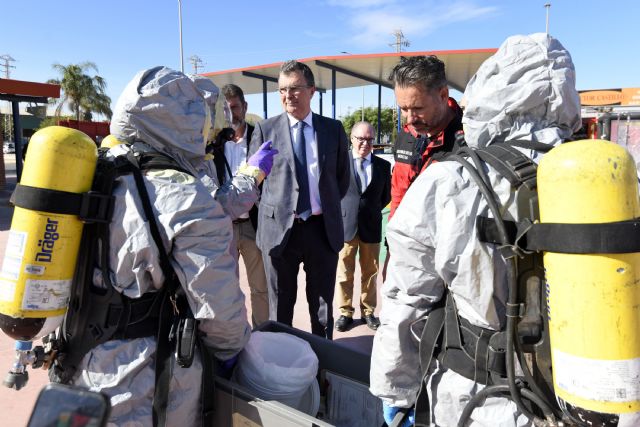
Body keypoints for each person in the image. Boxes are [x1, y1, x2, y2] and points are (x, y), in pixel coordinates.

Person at [370, 34, 582, 426]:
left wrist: (395, 390)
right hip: (575, 396)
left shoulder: (452, 179)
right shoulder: (613, 183)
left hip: (478, 395)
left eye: (416, 107)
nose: (409, 118)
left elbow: (407, 300)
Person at [64, 66, 277, 426]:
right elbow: (220, 315)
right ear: (182, 123)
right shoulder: (182, 194)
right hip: (145, 385)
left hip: (78, 362)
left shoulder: (95, 172)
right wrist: (232, 352)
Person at [249, 60, 350, 339]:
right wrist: (277, 211)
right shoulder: (265, 131)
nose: (287, 95)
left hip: (321, 230)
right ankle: (281, 366)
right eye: (282, 89)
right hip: (280, 232)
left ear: (312, 90)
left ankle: (323, 367)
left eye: (294, 88)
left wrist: (321, 207)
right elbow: (253, 184)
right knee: (280, 307)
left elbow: (341, 180)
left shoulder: (333, 130)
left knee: (322, 307)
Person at [382, 55, 464, 280]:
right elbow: (398, 194)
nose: (409, 118)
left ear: (443, 95)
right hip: (409, 255)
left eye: (417, 108)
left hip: (453, 261)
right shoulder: (406, 135)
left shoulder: (469, 137)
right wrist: (392, 247)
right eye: (403, 109)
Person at [212, 83, 270, 328]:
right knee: (226, 289)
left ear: (244, 107)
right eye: (226, 109)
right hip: (223, 227)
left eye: (235, 107)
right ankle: (234, 335)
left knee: (260, 287)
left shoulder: (260, 138)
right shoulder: (213, 143)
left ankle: (263, 333)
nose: (231, 114)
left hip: (252, 226)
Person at [335, 121, 391, 332]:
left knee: (370, 272)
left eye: (369, 139)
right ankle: (345, 312)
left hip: (371, 227)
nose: (365, 143)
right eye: (360, 139)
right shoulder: (340, 164)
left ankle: (368, 311)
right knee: (344, 273)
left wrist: (369, 210)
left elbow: (385, 196)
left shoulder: (384, 167)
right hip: (346, 225)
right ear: (352, 139)